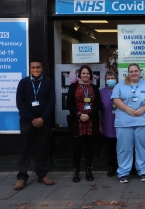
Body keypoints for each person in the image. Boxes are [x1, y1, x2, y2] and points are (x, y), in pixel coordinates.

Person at [14, 58, 56, 190]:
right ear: (30, 69)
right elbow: (20, 103)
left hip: (44, 121)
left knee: (42, 148)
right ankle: (22, 177)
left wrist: (42, 118)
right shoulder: (23, 83)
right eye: (33, 68)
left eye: (38, 67)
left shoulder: (48, 82)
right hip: (27, 121)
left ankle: (42, 175)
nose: (36, 70)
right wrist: (32, 119)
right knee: (26, 148)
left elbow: (51, 102)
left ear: (42, 68)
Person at [112, 63, 145, 183]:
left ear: (140, 72)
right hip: (124, 121)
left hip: (143, 120)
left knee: (143, 147)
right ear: (128, 73)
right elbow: (115, 99)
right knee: (124, 148)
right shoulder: (120, 85)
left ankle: (143, 171)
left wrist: (143, 109)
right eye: (131, 71)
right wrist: (127, 109)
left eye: (136, 71)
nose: (134, 73)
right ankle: (123, 172)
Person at [66, 65, 102, 183]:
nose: (86, 75)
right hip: (77, 121)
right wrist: (79, 114)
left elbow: (98, 105)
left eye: (88, 73)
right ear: (79, 75)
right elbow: (69, 103)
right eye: (83, 73)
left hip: (91, 122)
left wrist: (89, 115)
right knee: (77, 148)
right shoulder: (73, 87)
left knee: (90, 148)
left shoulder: (95, 87)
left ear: (91, 75)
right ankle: (76, 171)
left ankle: (88, 170)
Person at [99, 70, 118, 177]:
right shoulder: (101, 92)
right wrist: (99, 124)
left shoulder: (121, 90)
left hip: (121, 123)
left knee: (122, 147)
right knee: (109, 148)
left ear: (116, 79)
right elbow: (98, 110)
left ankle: (122, 167)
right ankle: (111, 167)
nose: (110, 80)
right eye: (108, 79)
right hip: (107, 123)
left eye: (112, 78)